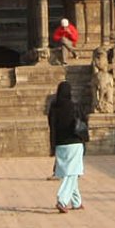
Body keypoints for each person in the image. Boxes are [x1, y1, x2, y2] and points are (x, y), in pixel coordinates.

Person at [47, 81, 85, 213]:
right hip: (74, 143)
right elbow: (84, 121)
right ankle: (62, 200)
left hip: (60, 144)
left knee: (70, 172)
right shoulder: (75, 106)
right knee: (72, 173)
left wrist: (52, 146)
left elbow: (52, 128)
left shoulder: (54, 108)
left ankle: (76, 201)